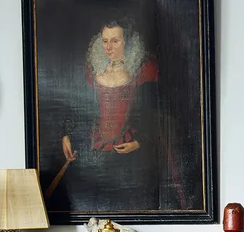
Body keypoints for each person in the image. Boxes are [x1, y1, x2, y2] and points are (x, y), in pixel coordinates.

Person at [50, 19, 163, 213]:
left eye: (115, 41)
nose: (109, 47)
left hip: (128, 153)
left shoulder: (141, 73)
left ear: (127, 42)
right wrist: (66, 135)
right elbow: (77, 106)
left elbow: (155, 115)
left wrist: (139, 142)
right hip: (93, 150)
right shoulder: (93, 72)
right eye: (104, 41)